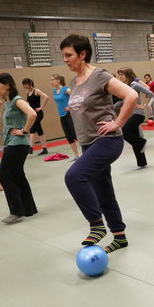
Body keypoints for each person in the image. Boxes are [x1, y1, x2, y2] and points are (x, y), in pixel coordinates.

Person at [60, 34, 138, 253]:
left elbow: (131, 95)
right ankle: (120, 237)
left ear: (82, 54)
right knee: (104, 191)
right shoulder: (74, 82)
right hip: (88, 143)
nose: (65, 59)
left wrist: (118, 122)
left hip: (107, 141)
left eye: (69, 55)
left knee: (74, 177)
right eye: (63, 55)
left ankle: (96, 224)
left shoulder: (100, 76)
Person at [0, 73, 37, 224]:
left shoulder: (17, 100)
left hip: (17, 143)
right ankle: (29, 208)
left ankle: (16, 211)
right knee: (18, 176)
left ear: (7, 85)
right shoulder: (8, 103)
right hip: (13, 143)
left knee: (5, 176)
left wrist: (24, 130)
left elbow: (32, 113)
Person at [118, 67, 154, 167]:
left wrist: (144, 105)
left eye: (122, 74)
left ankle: (142, 142)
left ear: (127, 75)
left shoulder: (134, 85)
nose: (120, 77)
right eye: (119, 75)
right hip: (130, 115)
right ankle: (142, 162)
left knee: (124, 132)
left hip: (138, 114)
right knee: (135, 138)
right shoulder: (125, 87)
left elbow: (151, 93)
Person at [51, 74, 80, 161]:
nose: (51, 82)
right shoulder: (54, 91)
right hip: (61, 115)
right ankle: (76, 155)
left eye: (53, 80)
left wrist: (70, 106)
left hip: (69, 114)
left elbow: (77, 96)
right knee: (68, 136)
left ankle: (85, 153)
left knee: (75, 134)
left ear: (58, 80)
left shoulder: (66, 89)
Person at [22, 78, 50, 155]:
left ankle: (30, 148)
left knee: (32, 127)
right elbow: (28, 102)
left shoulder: (36, 91)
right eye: (24, 84)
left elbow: (46, 97)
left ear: (30, 83)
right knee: (39, 130)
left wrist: (41, 107)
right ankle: (44, 149)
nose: (25, 86)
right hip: (32, 114)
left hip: (39, 114)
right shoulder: (27, 93)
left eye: (26, 84)